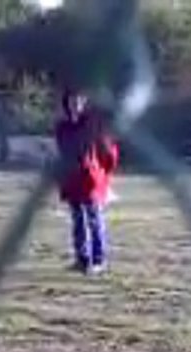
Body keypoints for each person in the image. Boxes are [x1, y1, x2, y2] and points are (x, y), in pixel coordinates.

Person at [54, 88, 119, 275]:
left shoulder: (92, 125)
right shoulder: (63, 128)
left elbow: (108, 151)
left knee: (94, 218)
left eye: (79, 100)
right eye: (72, 101)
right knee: (77, 220)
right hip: (71, 179)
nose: (75, 104)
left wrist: (102, 172)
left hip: (90, 178)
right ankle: (82, 259)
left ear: (84, 102)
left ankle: (99, 259)